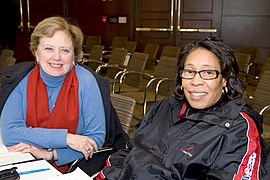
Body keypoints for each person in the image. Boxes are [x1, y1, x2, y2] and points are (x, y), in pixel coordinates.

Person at [96, 37, 270, 179]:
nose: (196, 81)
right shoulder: (165, 107)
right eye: (189, 71)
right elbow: (129, 151)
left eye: (208, 72)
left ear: (224, 79)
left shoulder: (239, 129)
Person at [0, 16, 128, 174]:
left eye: (65, 50)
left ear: (74, 56)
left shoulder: (87, 82)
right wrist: (67, 138)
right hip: (29, 162)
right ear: (36, 53)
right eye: (49, 49)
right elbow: (11, 133)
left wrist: (50, 154)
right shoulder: (22, 80)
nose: (57, 57)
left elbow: (95, 139)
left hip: (77, 168)